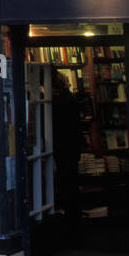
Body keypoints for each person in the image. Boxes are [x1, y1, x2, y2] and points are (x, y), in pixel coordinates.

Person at [51, 73, 84, 242]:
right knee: (70, 182)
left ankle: (70, 223)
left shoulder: (56, 102)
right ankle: (74, 220)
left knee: (66, 182)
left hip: (62, 147)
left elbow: (56, 125)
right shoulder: (70, 99)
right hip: (71, 147)